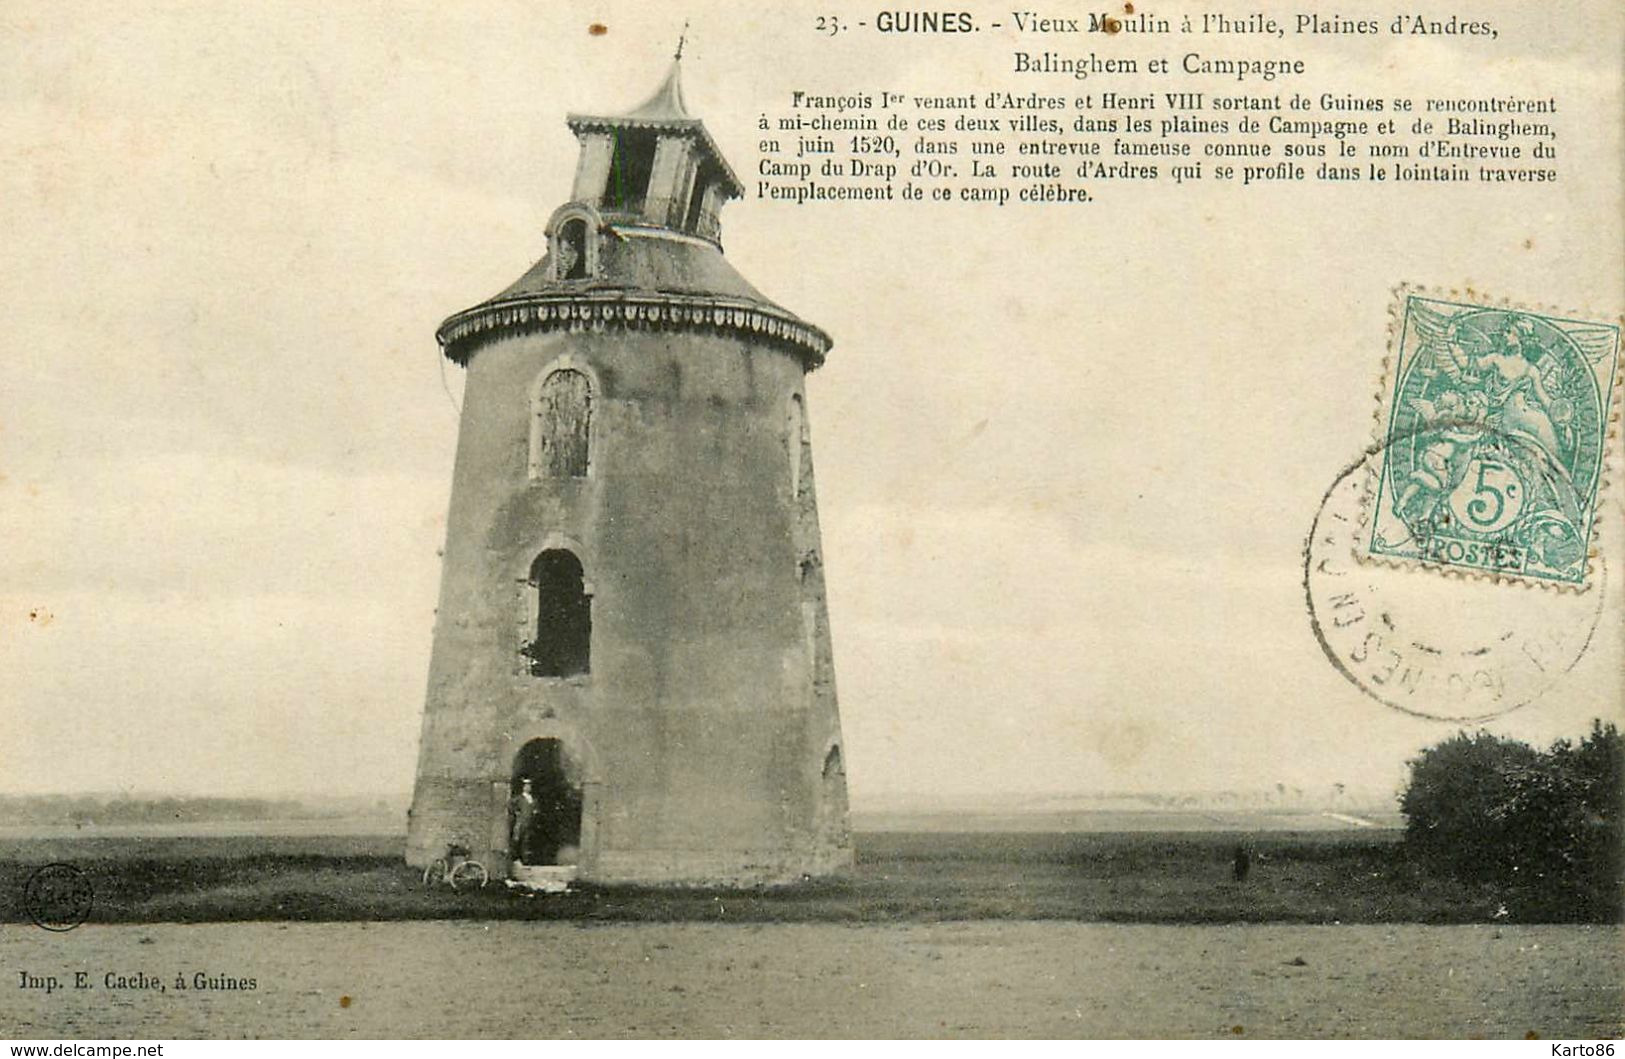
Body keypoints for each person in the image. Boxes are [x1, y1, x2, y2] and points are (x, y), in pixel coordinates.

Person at [508, 779, 537, 865]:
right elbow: (510, 806)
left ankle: (526, 860)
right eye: (526, 786)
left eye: (529, 786)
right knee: (517, 840)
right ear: (523, 787)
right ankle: (515, 859)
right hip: (520, 823)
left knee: (527, 841)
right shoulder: (519, 798)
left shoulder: (533, 799)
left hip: (529, 823)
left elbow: (535, 809)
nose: (528, 787)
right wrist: (516, 813)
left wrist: (534, 812)